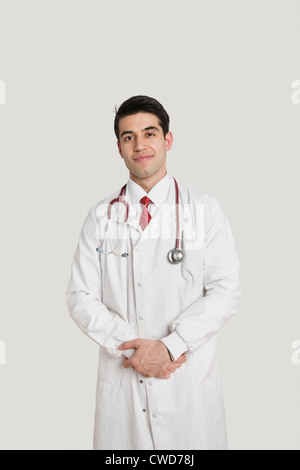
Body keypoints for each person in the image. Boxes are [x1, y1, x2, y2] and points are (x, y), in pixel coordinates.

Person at [65, 95, 241, 450]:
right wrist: (133, 350)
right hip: (125, 385)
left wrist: (169, 347)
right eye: (129, 137)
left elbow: (225, 290)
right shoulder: (101, 216)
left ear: (167, 140)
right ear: (119, 148)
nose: (140, 144)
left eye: (149, 133)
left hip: (187, 382)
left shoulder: (204, 209)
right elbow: (80, 296)